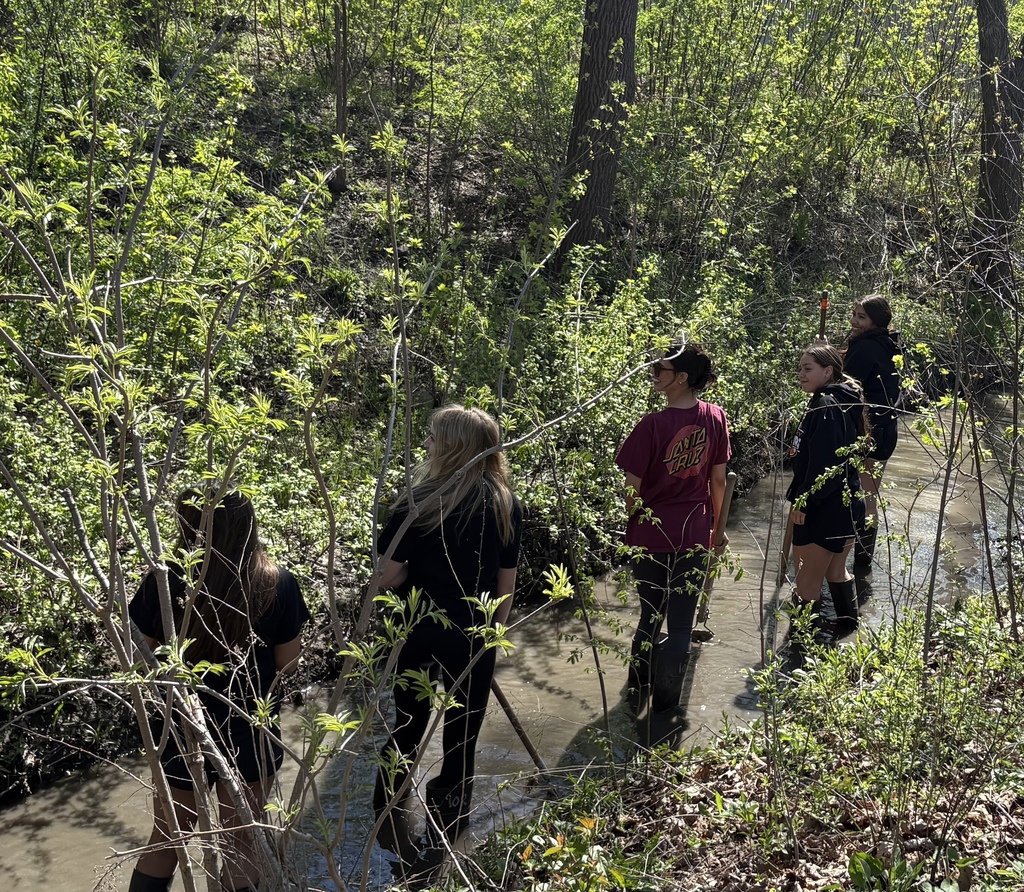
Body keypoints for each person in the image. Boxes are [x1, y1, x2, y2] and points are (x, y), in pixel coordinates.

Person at [127, 489, 310, 892]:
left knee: (168, 837)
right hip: (249, 724)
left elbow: (137, 650)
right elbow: (288, 664)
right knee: (240, 841)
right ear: (249, 525)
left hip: (180, 723)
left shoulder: (168, 577)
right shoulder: (276, 582)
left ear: (187, 523)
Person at [373, 405, 523, 880]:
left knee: (408, 724)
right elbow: (506, 582)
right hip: (474, 635)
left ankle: (386, 813)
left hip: (417, 632)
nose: (428, 446)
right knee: (463, 738)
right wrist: (492, 638)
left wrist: (383, 572)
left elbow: (388, 577)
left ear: (455, 446)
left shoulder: (415, 504)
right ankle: (445, 833)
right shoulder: (504, 504)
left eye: (435, 438)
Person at [615, 342, 731, 731]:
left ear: (681, 379)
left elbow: (632, 489)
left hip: (652, 531)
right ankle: (666, 712)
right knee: (681, 625)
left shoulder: (651, 425)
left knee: (650, 614)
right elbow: (718, 480)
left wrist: (631, 524)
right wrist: (716, 528)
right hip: (695, 530)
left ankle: (635, 695)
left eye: (660, 369)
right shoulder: (716, 417)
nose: (654, 374)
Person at [787, 345, 868, 631]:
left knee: (806, 586)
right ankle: (848, 634)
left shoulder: (826, 406)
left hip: (824, 507)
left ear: (828, 371)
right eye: (800, 368)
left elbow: (823, 463)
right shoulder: (839, 399)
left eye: (808, 369)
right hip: (845, 504)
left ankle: (797, 658)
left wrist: (803, 502)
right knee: (836, 571)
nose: (801, 375)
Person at [844, 294, 901, 569]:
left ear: (875, 322)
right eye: (854, 314)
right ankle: (863, 565)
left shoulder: (865, 348)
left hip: (868, 433)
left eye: (861, 317)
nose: (854, 321)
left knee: (861, 500)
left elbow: (842, 387)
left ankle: (854, 564)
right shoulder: (890, 345)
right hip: (886, 430)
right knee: (869, 499)